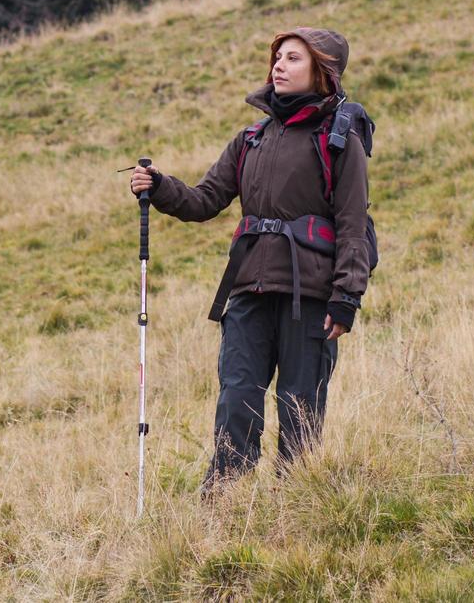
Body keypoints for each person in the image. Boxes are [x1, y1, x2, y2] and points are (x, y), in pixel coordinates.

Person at [130, 27, 376, 489]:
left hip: (312, 298)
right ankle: (223, 508)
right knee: (237, 399)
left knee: (299, 405)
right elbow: (205, 201)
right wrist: (160, 186)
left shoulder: (341, 140)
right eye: (277, 57)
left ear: (323, 73)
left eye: (293, 59)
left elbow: (351, 223)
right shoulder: (251, 139)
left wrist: (347, 297)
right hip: (247, 292)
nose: (279, 66)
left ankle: (297, 508)